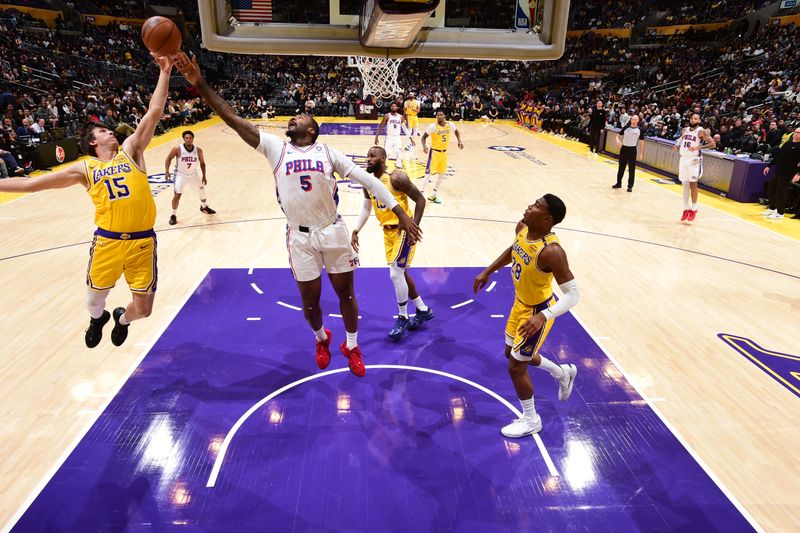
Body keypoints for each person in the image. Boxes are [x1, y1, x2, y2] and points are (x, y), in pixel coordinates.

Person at [172, 51, 422, 377]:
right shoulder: (276, 147)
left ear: (313, 131)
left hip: (332, 231)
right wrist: (199, 83)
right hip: (299, 236)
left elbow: (369, 181)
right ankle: (321, 338)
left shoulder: (328, 152)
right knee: (309, 301)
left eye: (301, 118)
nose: (294, 118)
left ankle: (352, 344)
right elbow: (232, 118)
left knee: (345, 292)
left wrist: (401, 213)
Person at [0, 54, 174, 348]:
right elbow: (34, 184)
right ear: (93, 142)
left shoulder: (131, 150)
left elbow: (154, 111)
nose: (110, 131)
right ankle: (99, 319)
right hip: (108, 242)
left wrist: (165, 72)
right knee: (94, 303)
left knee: (143, 310)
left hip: (143, 243)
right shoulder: (85, 169)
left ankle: (121, 318)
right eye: (104, 130)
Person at [473, 195, 578, 438]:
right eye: (533, 202)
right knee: (511, 354)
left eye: (536, 206)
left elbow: (573, 295)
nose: (529, 206)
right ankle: (562, 373)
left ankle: (532, 419)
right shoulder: (523, 228)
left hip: (536, 312)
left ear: (547, 219)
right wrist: (488, 270)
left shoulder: (552, 252)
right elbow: (514, 250)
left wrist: (544, 316)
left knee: (516, 367)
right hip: (519, 305)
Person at [351, 147, 433, 341]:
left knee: (395, 273)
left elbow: (420, 200)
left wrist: (414, 227)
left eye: (372, 156)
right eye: (367, 155)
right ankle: (423, 310)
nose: (368, 159)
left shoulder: (396, 178)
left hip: (403, 230)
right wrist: (355, 230)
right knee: (401, 273)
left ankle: (403, 316)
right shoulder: (368, 183)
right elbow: (366, 208)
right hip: (387, 233)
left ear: (383, 158)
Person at [164, 130, 216, 225]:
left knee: (202, 192)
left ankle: (204, 207)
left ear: (193, 139)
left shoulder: (198, 150)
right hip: (180, 175)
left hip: (193, 175)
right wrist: (167, 171)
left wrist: (204, 176)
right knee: (177, 195)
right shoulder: (177, 148)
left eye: (190, 138)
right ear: (183, 139)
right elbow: (168, 158)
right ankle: (173, 215)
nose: (189, 140)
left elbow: (202, 163)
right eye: (186, 138)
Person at [673, 113, 716, 222]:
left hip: (694, 160)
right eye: (692, 118)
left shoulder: (701, 131)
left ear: (699, 120)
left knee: (693, 184)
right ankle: (685, 209)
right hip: (683, 158)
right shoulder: (685, 130)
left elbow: (712, 144)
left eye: (695, 118)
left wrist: (699, 146)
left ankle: (694, 208)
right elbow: (681, 139)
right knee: (684, 184)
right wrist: (677, 145)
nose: (693, 120)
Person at [419, 110, 463, 204]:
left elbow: (457, 132)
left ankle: (433, 195)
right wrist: (424, 146)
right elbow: (423, 137)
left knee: (442, 175)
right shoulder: (433, 126)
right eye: (438, 115)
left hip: (444, 153)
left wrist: (459, 141)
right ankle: (420, 194)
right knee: (428, 174)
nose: (439, 116)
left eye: (441, 115)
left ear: (444, 116)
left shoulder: (450, 124)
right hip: (434, 152)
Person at [762, 127, 800, 220]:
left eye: (798, 132)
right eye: (795, 132)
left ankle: (780, 213)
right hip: (778, 170)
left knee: (781, 192)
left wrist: (798, 174)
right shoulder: (788, 143)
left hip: (788, 173)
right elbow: (779, 156)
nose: (796, 133)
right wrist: (769, 166)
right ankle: (772, 208)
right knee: (771, 189)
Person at [374, 101, 414, 169]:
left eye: (395, 106)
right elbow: (380, 126)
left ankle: (399, 166)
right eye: (392, 106)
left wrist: (411, 139)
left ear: (397, 107)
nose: (393, 107)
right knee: (387, 154)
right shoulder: (387, 116)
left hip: (397, 137)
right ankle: (383, 167)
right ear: (390, 107)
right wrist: (376, 137)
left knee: (398, 153)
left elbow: (404, 129)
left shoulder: (401, 117)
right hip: (389, 137)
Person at [613, 115, 644, 192]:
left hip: (632, 150)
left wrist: (641, 153)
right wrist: (617, 141)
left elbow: (642, 142)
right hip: (624, 149)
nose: (633, 120)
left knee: (631, 169)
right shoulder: (626, 127)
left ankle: (630, 186)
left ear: (638, 121)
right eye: (632, 119)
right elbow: (617, 135)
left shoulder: (640, 130)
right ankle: (618, 183)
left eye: (635, 119)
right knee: (621, 168)